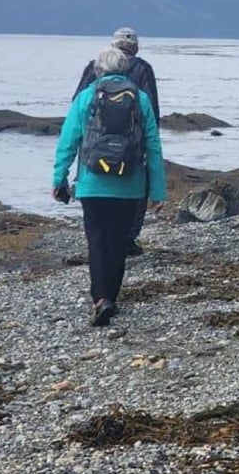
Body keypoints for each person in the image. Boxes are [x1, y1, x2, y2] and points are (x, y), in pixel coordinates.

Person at [53, 47, 166, 326]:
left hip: (92, 185)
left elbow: (68, 142)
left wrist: (59, 179)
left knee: (97, 241)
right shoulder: (140, 99)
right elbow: (153, 146)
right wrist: (158, 190)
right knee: (117, 242)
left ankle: (100, 298)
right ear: (127, 69)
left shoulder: (85, 97)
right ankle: (110, 298)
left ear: (97, 70)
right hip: (129, 186)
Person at [75, 28, 160, 256]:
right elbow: (151, 108)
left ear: (113, 44)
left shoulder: (95, 65)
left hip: (94, 143)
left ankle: (97, 238)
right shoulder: (143, 68)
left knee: (93, 186)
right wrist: (149, 142)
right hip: (132, 143)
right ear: (135, 46)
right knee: (134, 191)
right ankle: (128, 237)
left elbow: (78, 101)